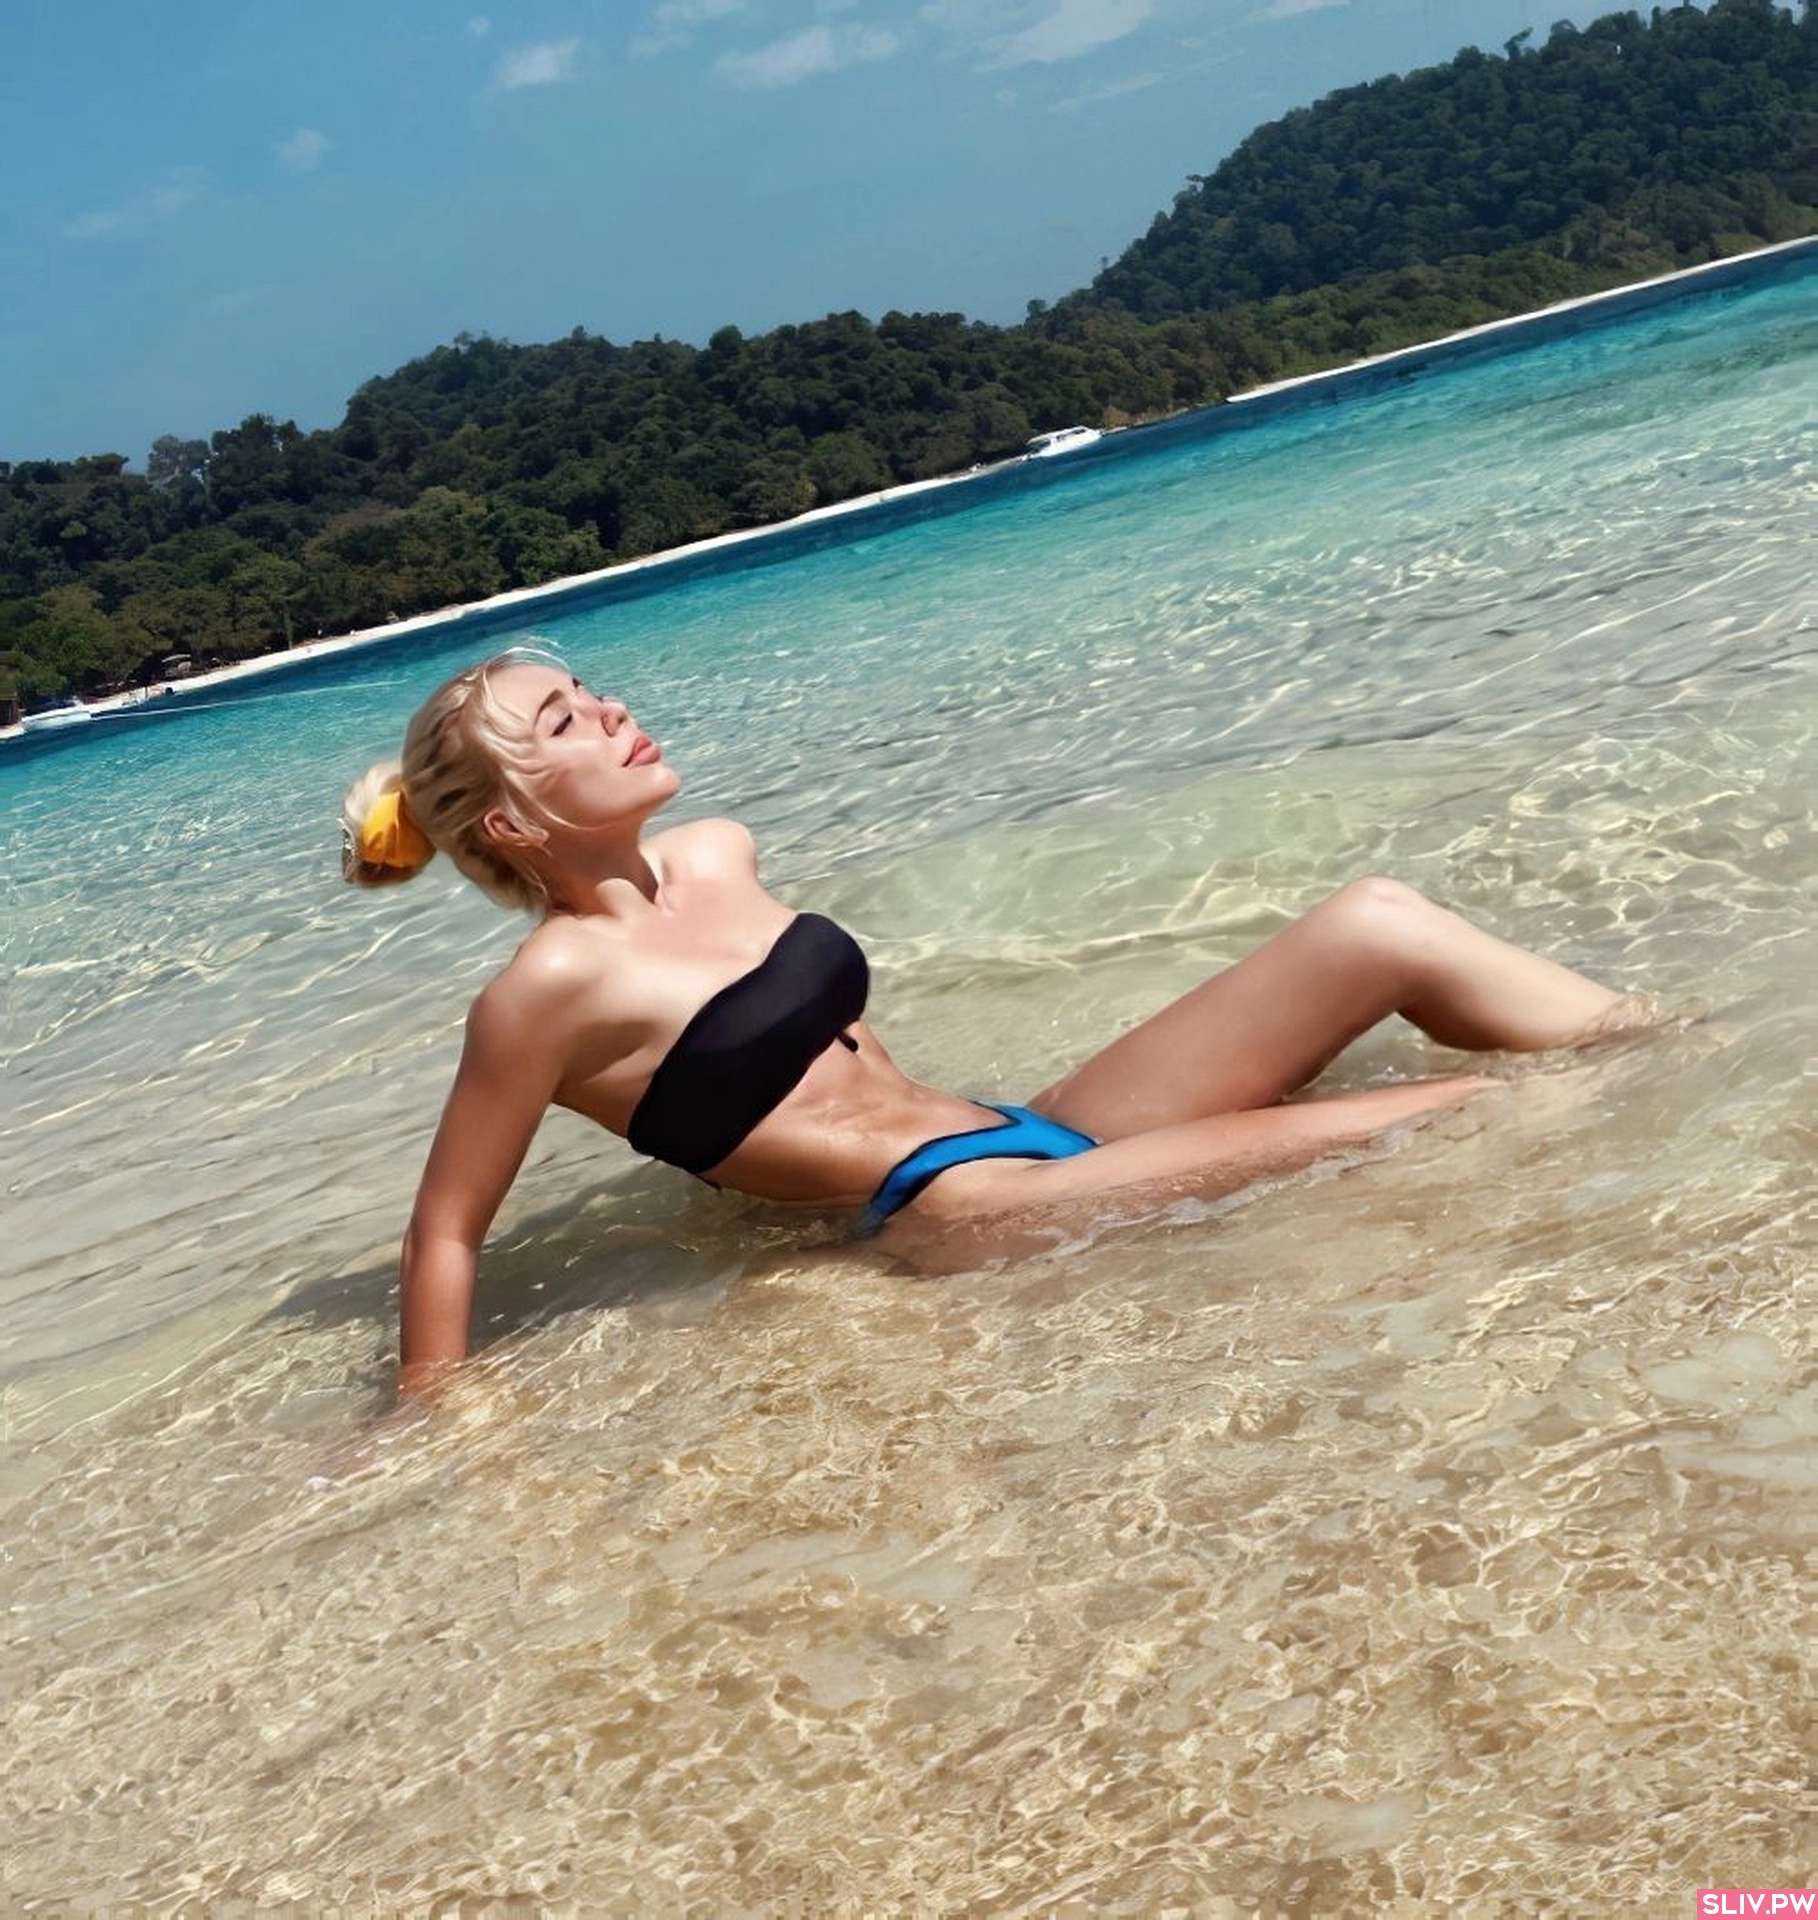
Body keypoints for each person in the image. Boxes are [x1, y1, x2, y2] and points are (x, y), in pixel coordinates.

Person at [343, 647, 1630, 1390]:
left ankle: (1674, 1045)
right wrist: (439, 1410)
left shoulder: (718, 852)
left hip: (1030, 1129)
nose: (612, 711)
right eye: (565, 721)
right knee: (1463, 1111)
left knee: (1379, 921)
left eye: (591, 689)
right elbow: (446, 1230)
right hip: (953, 1210)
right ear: (511, 821)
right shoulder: (545, 993)